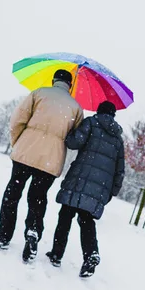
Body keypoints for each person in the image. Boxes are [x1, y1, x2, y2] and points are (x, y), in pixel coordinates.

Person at [0, 69, 83, 262]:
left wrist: (19, 142)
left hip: (26, 152)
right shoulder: (76, 107)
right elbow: (76, 138)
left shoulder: (39, 93)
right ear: (70, 85)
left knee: (13, 192)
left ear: (54, 80)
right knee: (38, 198)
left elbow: (17, 120)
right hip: (51, 160)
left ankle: (4, 235)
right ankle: (33, 232)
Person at [46, 100, 125, 277]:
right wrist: (111, 192)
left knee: (65, 216)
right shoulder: (118, 139)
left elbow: (74, 142)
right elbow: (120, 170)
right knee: (86, 221)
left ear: (99, 111)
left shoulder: (91, 123)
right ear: (113, 115)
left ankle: (57, 254)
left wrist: (70, 131)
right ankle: (91, 254)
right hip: (99, 189)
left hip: (78, 180)